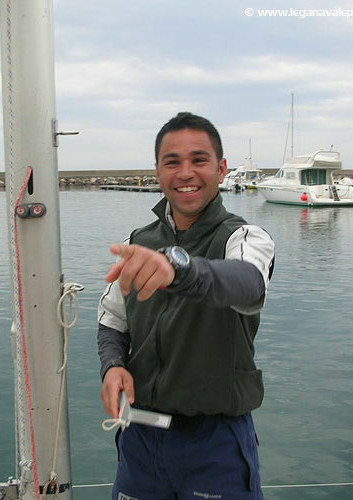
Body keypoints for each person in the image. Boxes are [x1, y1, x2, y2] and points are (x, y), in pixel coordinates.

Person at [98, 112, 275, 500]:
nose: (186, 172)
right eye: (172, 162)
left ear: (221, 168)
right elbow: (113, 320)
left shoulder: (247, 237)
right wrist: (112, 366)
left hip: (216, 445)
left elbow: (246, 283)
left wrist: (179, 270)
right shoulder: (138, 241)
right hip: (139, 439)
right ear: (158, 171)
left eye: (199, 160)